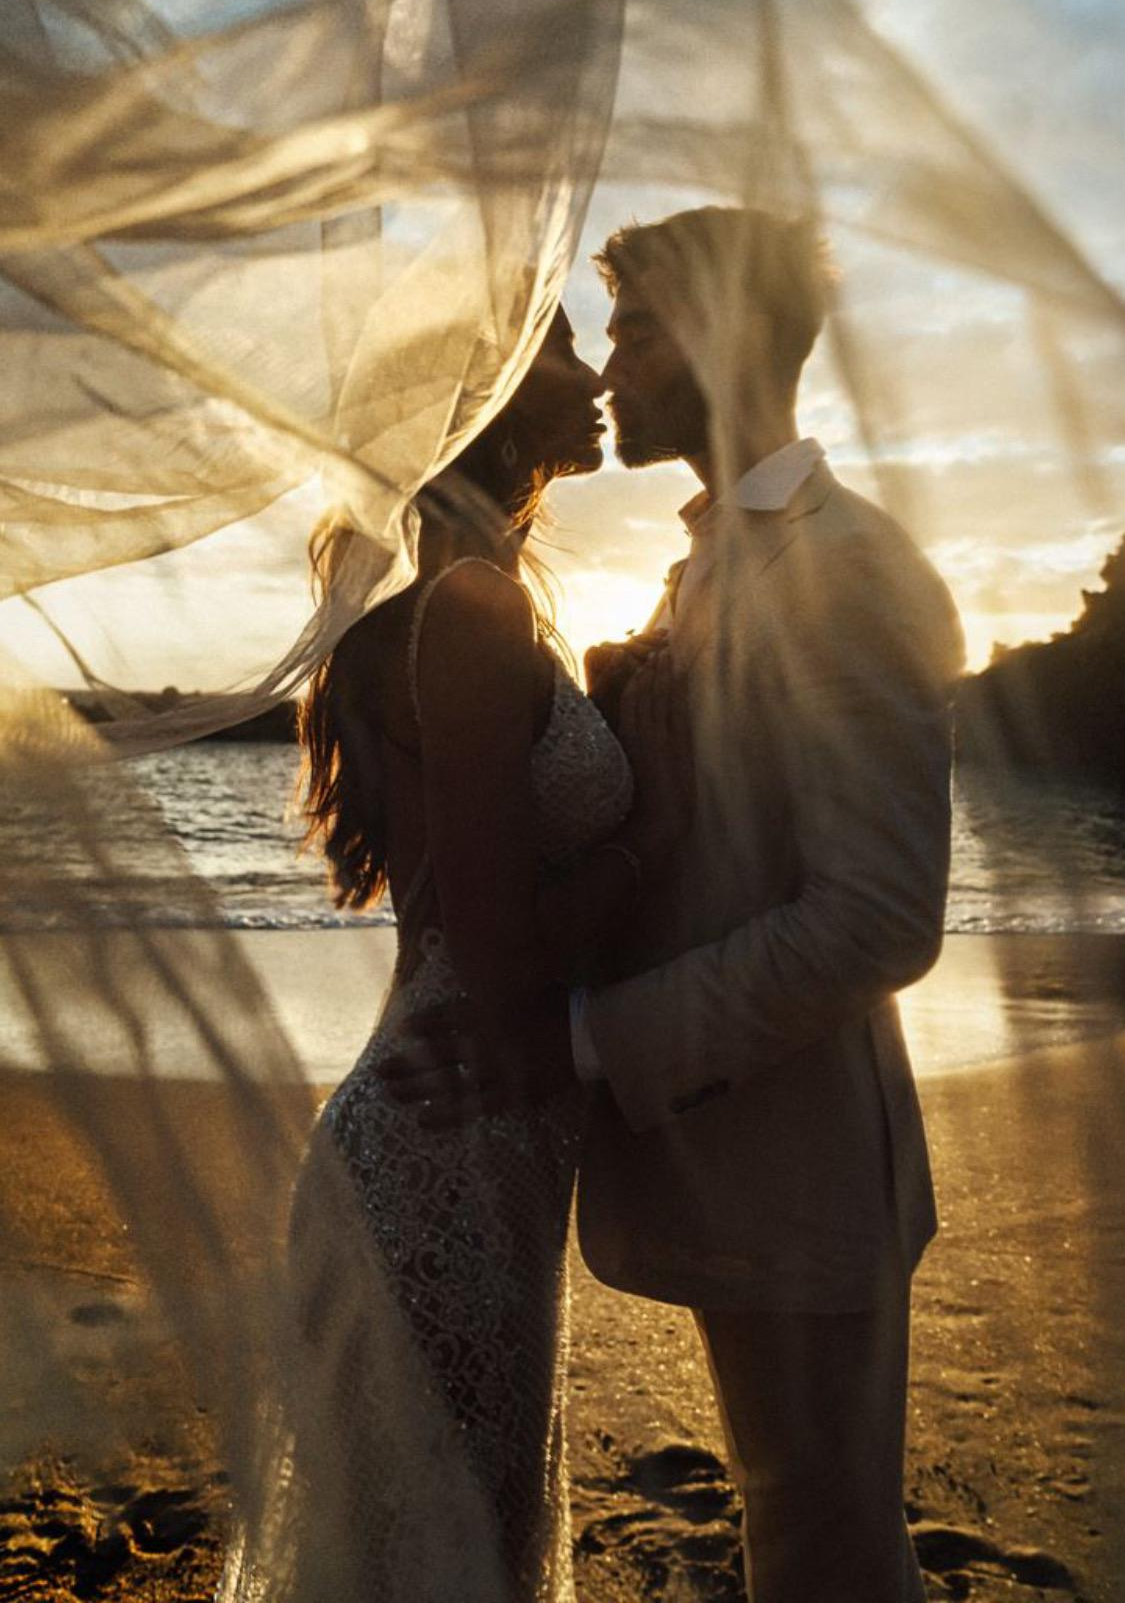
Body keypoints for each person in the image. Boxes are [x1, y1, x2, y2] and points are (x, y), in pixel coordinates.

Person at [389, 206, 965, 1603]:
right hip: (737, 1143)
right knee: (791, 1525)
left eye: (635, 332)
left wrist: (583, 1041)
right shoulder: (713, 556)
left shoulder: (838, 567)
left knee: (823, 1537)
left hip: (805, 1159)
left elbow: (878, 916)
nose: (609, 371)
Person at [228, 306, 683, 1603]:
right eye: (559, 346)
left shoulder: (479, 603)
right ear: (475, 397)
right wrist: (656, 815)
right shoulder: (470, 608)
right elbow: (496, 970)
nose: (594, 374)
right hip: (441, 1154)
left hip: (472, 1145)